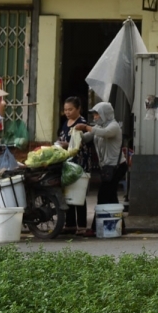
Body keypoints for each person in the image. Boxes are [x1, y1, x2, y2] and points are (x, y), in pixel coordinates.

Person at [75, 101, 127, 235]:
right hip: (107, 167)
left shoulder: (114, 126)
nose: (95, 117)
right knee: (111, 196)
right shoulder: (98, 126)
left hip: (116, 166)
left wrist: (86, 127)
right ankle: (121, 226)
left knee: (103, 195)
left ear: (105, 114)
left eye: (97, 114)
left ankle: (93, 228)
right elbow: (87, 137)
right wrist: (76, 135)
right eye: (94, 114)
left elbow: (104, 133)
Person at [56, 97, 90, 235]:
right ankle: (70, 224)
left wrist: (67, 145)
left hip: (79, 163)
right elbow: (63, 138)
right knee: (68, 192)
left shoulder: (82, 124)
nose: (67, 112)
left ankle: (81, 225)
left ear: (78, 109)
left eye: (70, 109)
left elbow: (80, 143)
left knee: (79, 193)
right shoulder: (65, 123)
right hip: (68, 162)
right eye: (65, 110)